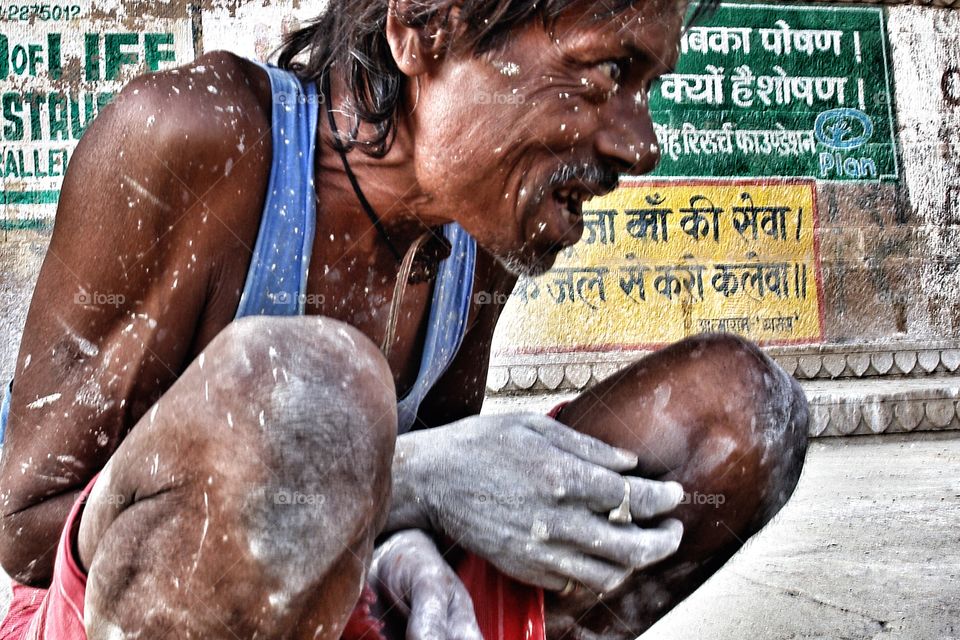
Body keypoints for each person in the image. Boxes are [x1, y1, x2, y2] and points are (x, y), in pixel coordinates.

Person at [0, 0, 809, 638]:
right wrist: (407, 476)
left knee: (739, 413)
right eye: (607, 72)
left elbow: (449, 493)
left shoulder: (477, 233)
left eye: (647, 90)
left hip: (342, 601)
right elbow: (25, 528)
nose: (641, 145)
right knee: (317, 387)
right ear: (425, 27)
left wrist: (408, 553)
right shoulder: (198, 136)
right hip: (115, 613)